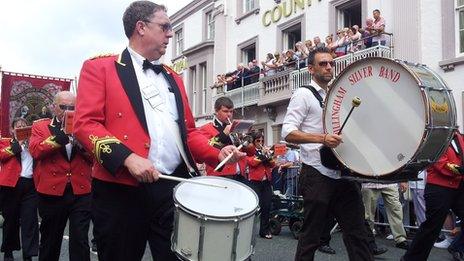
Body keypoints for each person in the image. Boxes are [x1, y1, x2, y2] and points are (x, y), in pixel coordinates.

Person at [73, 2, 243, 261]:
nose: (170, 34)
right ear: (140, 27)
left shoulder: (173, 77)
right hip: (121, 190)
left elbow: (187, 132)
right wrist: (128, 158)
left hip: (171, 188)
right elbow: (85, 124)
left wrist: (216, 154)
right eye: (164, 27)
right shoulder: (100, 68)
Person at [282, 47, 373, 261]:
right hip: (316, 172)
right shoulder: (303, 94)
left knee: (358, 233)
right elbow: (287, 132)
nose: (328, 67)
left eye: (331, 63)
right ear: (311, 68)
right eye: (323, 63)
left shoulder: (338, 94)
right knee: (311, 236)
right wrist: (322, 138)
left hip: (343, 172)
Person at [29, 91, 92, 261]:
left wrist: (81, 144)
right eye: (63, 107)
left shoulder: (84, 127)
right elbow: (35, 151)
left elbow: (95, 157)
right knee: (50, 240)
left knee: (80, 240)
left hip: (81, 191)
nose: (67, 111)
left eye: (72, 107)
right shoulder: (41, 126)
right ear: (54, 107)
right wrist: (60, 138)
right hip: (52, 192)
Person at [402, 131, 464, 261]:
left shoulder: (459, 136)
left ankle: (457, 246)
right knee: (431, 228)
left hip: (459, 186)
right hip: (439, 188)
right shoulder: (436, 136)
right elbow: (440, 163)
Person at [0, 118, 39, 261]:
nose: (22, 128)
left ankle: (28, 254)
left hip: (30, 185)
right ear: (12, 130)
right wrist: (19, 144)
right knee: (11, 220)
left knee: (30, 221)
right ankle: (8, 251)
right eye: (18, 126)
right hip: (11, 185)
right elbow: (2, 155)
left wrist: (29, 144)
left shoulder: (33, 144)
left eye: (24, 126)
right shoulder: (6, 142)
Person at [199, 97, 247, 183]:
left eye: (231, 111)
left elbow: (249, 152)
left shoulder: (235, 127)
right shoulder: (206, 128)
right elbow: (208, 148)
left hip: (239, 174)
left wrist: (245, 139)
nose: (229, 114)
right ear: (216, 111)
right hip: (220, 175)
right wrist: (224, 134)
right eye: (225, 111)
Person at [361, 182, 410, 249]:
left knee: (396, 209)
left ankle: (401, 239)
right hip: (369, 181)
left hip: (389, 180)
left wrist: (404, 180)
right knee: (368, 214)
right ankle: (368, 241)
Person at [246, 132, 276, 239]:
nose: (261, 143)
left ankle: (264, 231)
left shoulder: (264, 151)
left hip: (266, 182)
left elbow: (273, 164)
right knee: (254, 208)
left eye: (262, 140)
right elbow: (253, 163)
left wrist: (269, 155)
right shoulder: (250, 152)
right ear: (253, 142)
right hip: (255, 182)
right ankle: (248, 231)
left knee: (266, 207)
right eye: (258, 141)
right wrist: (264, 155)